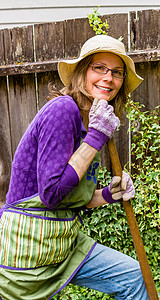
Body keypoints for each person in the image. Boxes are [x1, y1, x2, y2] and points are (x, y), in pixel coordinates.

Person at [0, 35, 148, 299]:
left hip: (65, 243)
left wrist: (108, 195)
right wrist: (96, 137)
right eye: (99, 68)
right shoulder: (63, 110)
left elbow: (70, 196)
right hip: (28, 246)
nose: (108, 78)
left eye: (117, 72)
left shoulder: (91, 119)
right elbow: (52, 195)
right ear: (82, 73)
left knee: (133, 277)